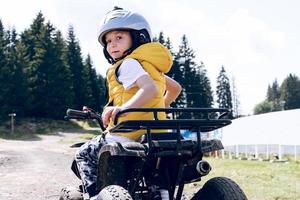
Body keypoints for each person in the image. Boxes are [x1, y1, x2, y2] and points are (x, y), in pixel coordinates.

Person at [74, 6, 182, 199]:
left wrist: (123, 108)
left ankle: (92, 196)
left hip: (127, 134)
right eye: (108, 41)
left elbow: (149, 89)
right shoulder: (151, 67)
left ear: (138, 38)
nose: (112, 44)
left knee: (83, 154)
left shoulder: (127, 64)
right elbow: (175, 89)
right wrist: (159, 110)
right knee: (155, 172)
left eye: (119, 37)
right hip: (156, 133)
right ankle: (162, 194)